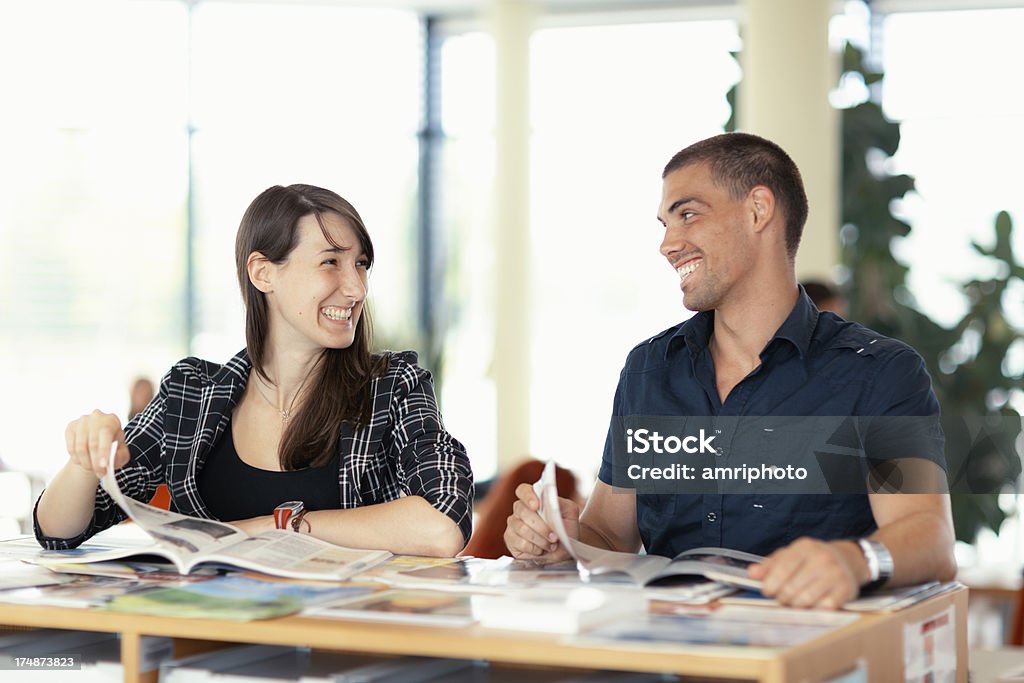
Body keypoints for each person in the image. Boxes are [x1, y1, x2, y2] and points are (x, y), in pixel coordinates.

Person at [504, 133, 956, 609]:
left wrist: (854, 560)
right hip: (664, 656)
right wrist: (562, 540)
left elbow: (930, 538)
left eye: (688, 214)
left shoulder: (879, 373)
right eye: (664, 223)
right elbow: (609, 536)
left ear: (758, 210)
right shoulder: (649, 369)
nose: (667, 244)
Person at [36, 184, 473, 557]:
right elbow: (57, 532)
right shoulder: (192, 394)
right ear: (263, 273)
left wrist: (276, 527)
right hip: (209, 639)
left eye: (360, 264)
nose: (356, 287)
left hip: (341, 637)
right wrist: (84, 460)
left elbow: (442, 525)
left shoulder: (393, 387)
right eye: (331, 262)